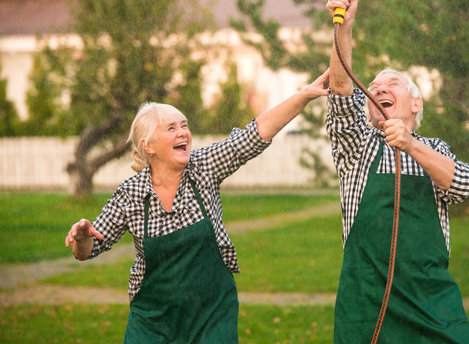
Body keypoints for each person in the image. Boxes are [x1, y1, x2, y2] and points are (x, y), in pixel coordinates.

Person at [64, 70, 329, 344]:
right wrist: (82, 238)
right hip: (153, 325)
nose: (183, 133)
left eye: (184, 125)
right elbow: (87, 251)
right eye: (171, 128)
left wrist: (304, 95)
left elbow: (255, 135)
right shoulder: (131, 195)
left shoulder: (203, 168)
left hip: (211, 319)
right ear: (148, 146)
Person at [325, 0, 469, 343]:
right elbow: (340, 95)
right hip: (367, 305)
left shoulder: (434, 149)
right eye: (374, 87)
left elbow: (465, 186)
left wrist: (410, 145)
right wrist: (344, 27)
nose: (378, 89)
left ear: (415, 103)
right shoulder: (359, 149)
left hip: (431, 304)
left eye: (391, 84)